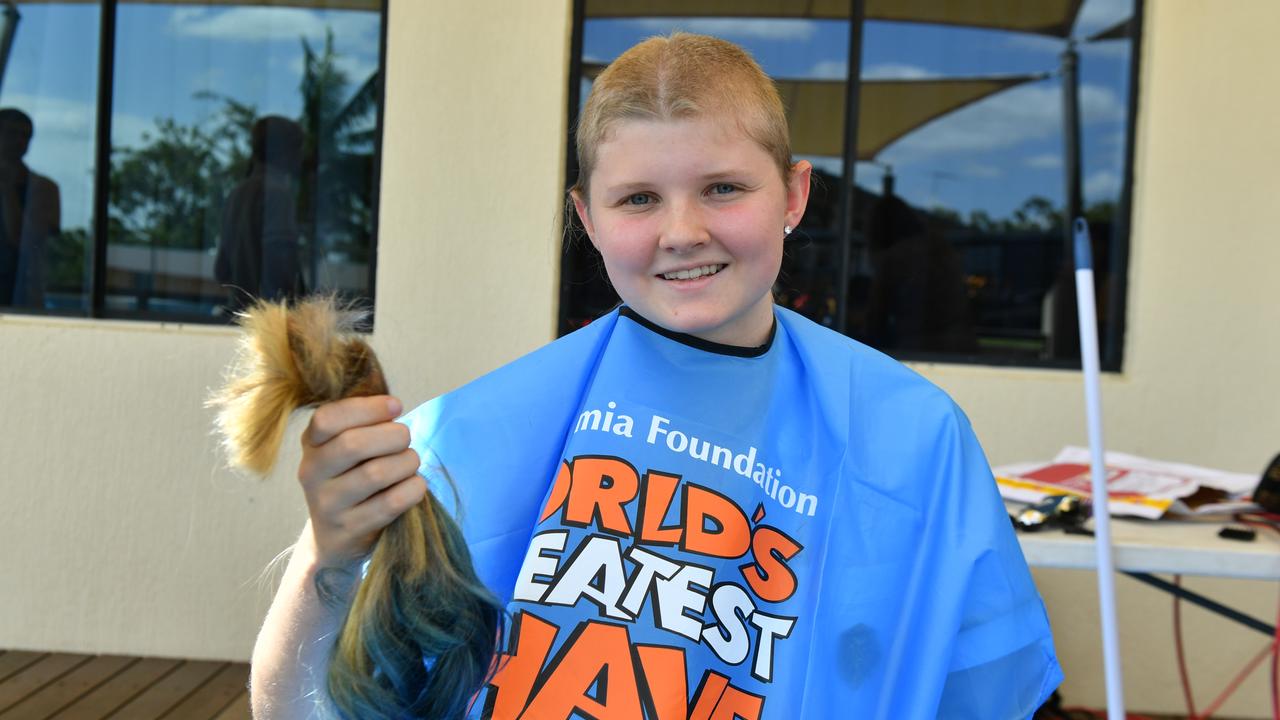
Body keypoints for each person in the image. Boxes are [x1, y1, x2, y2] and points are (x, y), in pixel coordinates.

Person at [248, 33, 1061, 719]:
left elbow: (981, 688)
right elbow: (293, 707)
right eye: (638, 198)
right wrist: (330, 557)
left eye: (722, 188)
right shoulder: (469, 434)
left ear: (794, 194)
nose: (683, 231)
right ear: (587, 218)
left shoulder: (911, 437)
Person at [216, 116, 307, 314]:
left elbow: (222, 271)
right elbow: (280, 269)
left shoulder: (236, 194)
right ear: (283, 151)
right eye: (298, 148)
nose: (301, 156)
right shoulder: (277, 194)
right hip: (269, 323)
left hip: (238, 317)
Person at [0, 107, 60, 309]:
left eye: (25, 135)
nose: (18, 141)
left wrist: (7, 190)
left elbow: (24, 240)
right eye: (10, 133)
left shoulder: (44, 189)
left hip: (21, 299)